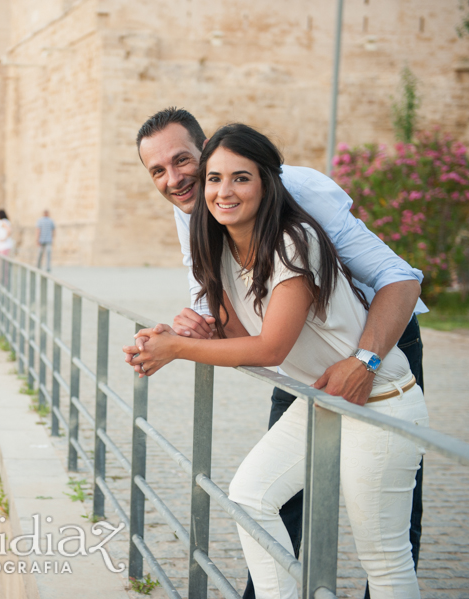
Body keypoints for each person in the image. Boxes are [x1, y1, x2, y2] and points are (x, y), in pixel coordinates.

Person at [123, 108, 426, 599]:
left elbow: (398, 279)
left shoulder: (296, 220)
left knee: (384, 547)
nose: (175, 179)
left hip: (380, 352)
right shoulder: (205, 224)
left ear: (262, 179)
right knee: (253, 496)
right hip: (313, 382)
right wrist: (189, 329)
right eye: (157, 170)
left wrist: (365, 360)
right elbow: (241, 327)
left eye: (185, 162)